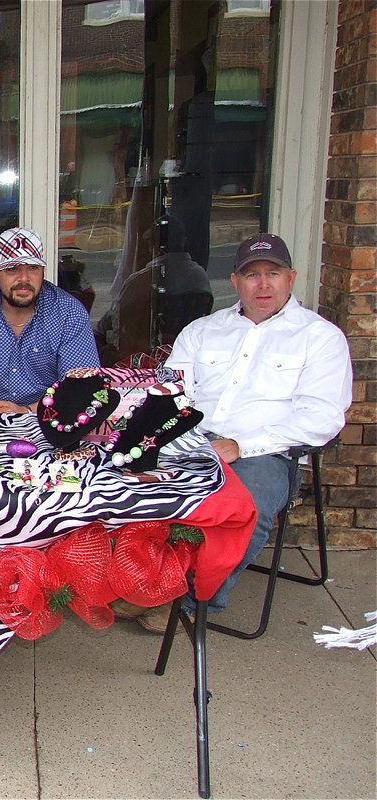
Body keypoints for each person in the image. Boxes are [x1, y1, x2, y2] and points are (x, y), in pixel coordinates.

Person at [161, 232, 352, 620]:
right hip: (194, 441)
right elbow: (170, 392)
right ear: (235, 281)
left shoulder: (319, 338)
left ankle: (194, 602)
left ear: (291, 278)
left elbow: (322, 418)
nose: (263, 284)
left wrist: (241, 445)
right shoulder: (202, 331)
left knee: (246, 506)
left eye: (273, 273)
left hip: (267, 454)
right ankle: (148, 585)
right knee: (122, 484)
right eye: (252, 275)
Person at [0, 227, 99, 414]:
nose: (24, 278)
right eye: (13, 269)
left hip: (48, 412)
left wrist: (26, 412)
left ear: (43, 271)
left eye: (33, 268)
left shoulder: (69, 312)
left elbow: (77, 387)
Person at [95, 213, 212, 364]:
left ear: (153, 245)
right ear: (183, 241)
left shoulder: (140, 281)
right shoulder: (200, 276)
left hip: (147, 358)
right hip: (191, 352)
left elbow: (112, 324)